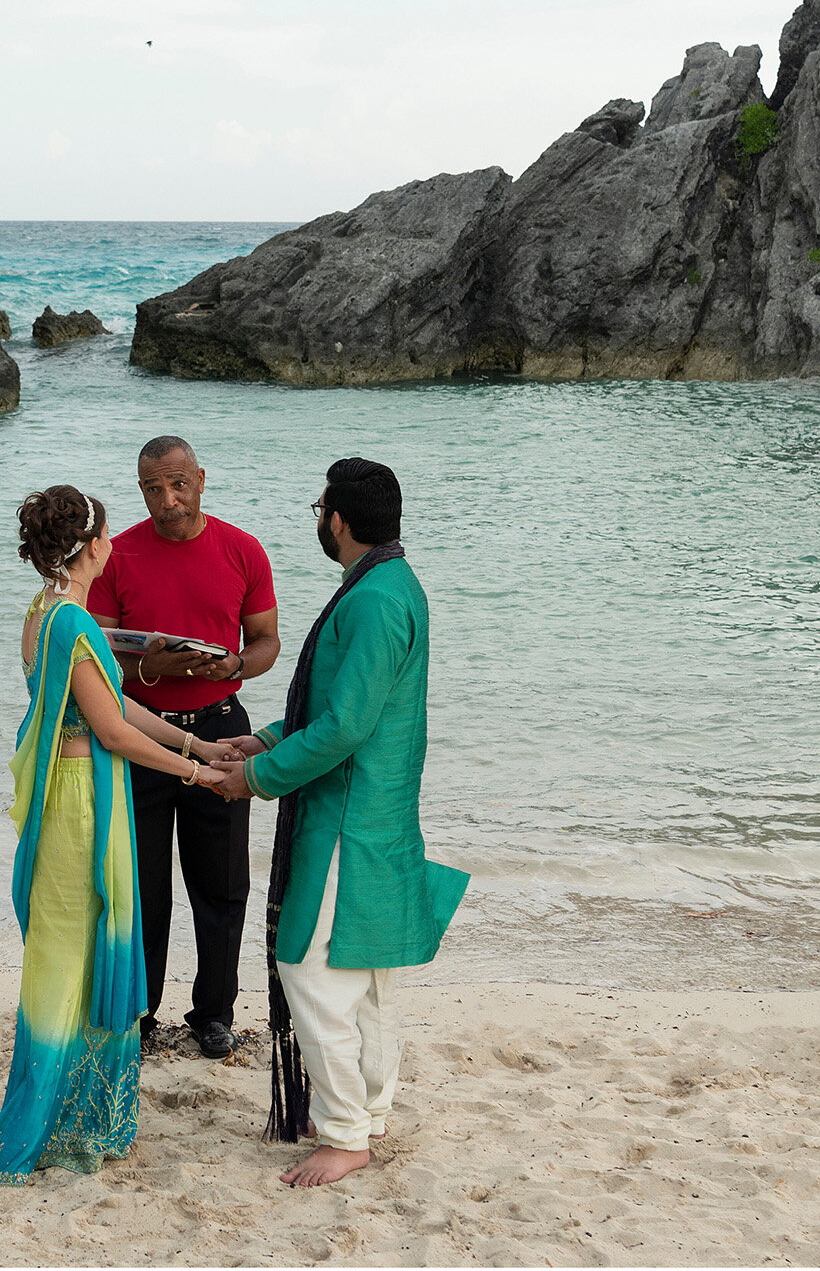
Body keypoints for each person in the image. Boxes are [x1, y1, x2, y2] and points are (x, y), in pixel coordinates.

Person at [214, 457, 468, 1189]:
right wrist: (263, 738)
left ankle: (346, 1135)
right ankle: (371, 1112)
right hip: (376, 811)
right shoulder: (389, 584)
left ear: (339, 521)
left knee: (309, 972)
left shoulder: (375, 600)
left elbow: (346, 726)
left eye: (317, 507)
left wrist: (256, 779)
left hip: (350, 819)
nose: (318, 519)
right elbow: (335, 708)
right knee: (367, 977)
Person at [0, 485, 239, 1187]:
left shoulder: (43, 612)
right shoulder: (76, 622)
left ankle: (52, 1104)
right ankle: (72, 1118)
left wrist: (200, 746)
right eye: (106, 534)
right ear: (94, 544)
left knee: (66, 950)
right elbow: (114, 729)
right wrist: (195, 772)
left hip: (64, 794)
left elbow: (118, 703)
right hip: (82, 805)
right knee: (80, 952)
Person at [88, 436, 282, 1060]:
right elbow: (100, 656)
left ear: (201, 478)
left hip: (221, 727)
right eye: (151, 490)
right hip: (140, 733)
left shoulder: (242, 549)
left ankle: (214, 1012)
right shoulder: (117, 557)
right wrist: (148, 663)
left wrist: (233, 666)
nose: (167, 501)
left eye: (177, 485)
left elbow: (267, 642)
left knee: (222, 884)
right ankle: (141, 1014)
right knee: (141, 883)